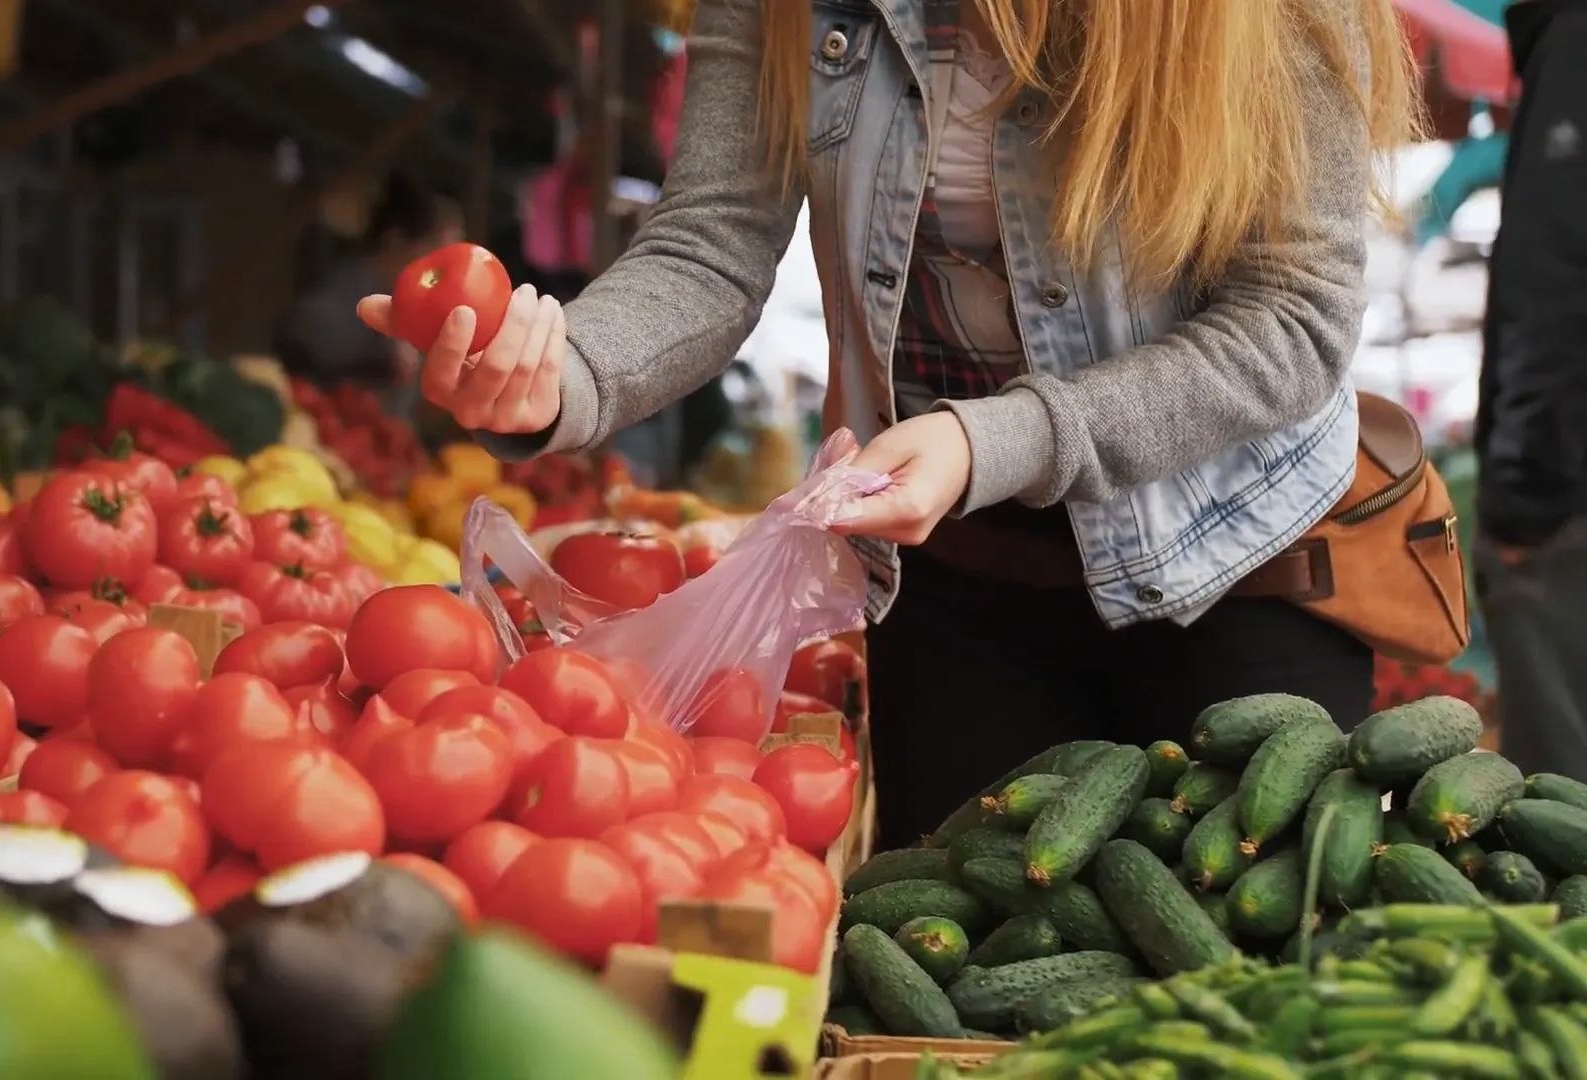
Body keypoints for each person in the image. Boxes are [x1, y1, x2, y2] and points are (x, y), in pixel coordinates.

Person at [357, 0, 1418, 847]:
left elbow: (1294, 317)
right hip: (958, 581)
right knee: (953, 1007)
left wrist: (988, 440)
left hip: (1229, 565)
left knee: (1240, 1016)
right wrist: (562, 378)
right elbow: (713, 244)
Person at [1475, 0, 1587, 781]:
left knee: (1563, 809)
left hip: (1568, 500)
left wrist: (1522, 496)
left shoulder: (1577, 39)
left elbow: (1553, 277)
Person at [276, 172, 461, 411]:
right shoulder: (338, 296)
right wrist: (375, 367)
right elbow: (297, 352)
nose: (440, 271)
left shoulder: (410, 306)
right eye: (433, 252)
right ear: (395, 241)